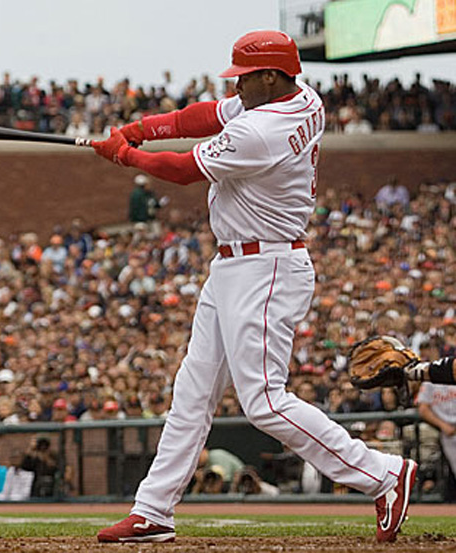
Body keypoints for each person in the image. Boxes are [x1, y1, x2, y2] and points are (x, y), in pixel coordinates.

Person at [92, 30, 417, 544]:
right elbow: (201, 116)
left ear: (270, 76)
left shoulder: (262, 129)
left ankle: (382, 474)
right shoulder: (301, 97)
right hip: (236, 265)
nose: (236, 86)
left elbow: (183, 169)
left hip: (265, 266)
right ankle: (153, 510)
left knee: (264, 401)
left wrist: (124, 155)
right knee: (192, 393)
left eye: (244, 77)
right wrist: (136, 130)